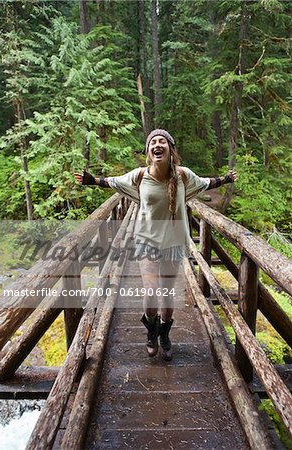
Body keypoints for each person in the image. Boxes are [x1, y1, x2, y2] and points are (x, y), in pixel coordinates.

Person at [74, 129, 237, 361]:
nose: (157, 145)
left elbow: (205, 182)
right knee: (151, 291)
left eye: (162, 141)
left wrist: (226, 179)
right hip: (146, 241)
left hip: (173, 242)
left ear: (171, 149)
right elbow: (113, 182)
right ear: (149, 152)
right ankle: (151, 330)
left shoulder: (183, 176)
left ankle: (164, 333)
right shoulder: (139, 176)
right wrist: (92, 181)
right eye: (153, 142)